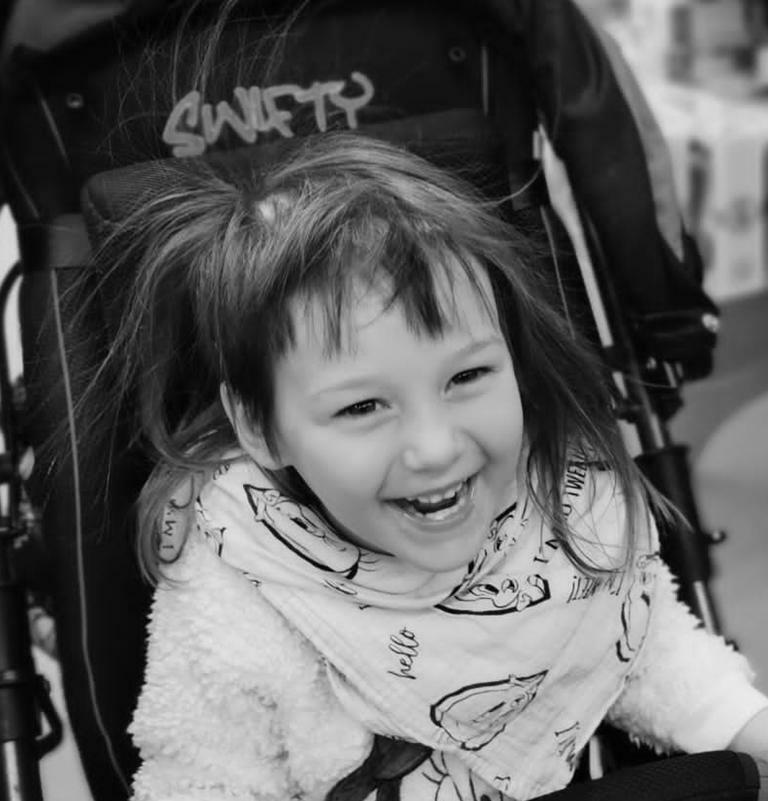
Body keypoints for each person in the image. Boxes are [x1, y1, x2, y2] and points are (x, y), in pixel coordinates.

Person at [89, 132, 768, 801]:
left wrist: (745, 725)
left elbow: (644, 650)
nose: (437, 447)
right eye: (362, 407)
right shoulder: (239, 594)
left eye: (467, 375)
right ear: (263, 430)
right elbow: (200, 782)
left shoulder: (553, 492)